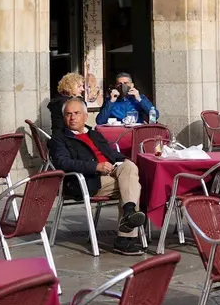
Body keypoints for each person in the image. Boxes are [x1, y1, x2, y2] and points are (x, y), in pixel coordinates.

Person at [49, 98, 147, 255]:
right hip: (87, 180)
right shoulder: (58, 139)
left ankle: (128, 212)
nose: (72, 117)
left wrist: (123, 161)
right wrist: (95, 167)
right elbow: (63, 163)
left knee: (129, 167)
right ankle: (125, 236)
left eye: (76, 113)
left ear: (85, 116)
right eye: (68, 114)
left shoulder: (94, 134)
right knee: (133, 186)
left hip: (110, 172)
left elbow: (112, 153)